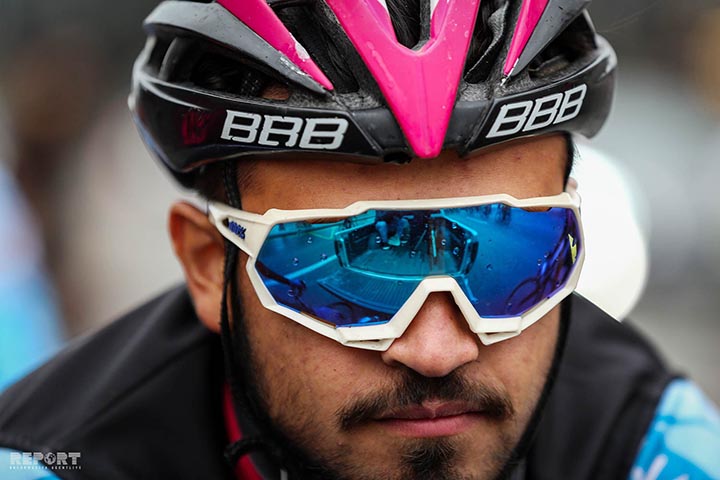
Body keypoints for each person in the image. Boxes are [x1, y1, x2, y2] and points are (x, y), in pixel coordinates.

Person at [1, 1, 719, 479]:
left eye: (504, 260)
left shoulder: (652, 448)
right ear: (208, 263)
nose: (436, 350)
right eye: (355, 267)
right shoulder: (49, 460)